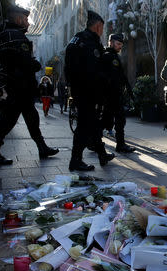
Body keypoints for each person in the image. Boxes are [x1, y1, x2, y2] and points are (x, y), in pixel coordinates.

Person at [0, 5, 59, 165]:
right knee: (7, 121)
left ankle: (42, 147)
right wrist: (36, 65)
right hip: (19, 88)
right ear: (18, 19)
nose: (28, 23)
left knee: (31, 118)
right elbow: (25, 62)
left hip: (13, 87)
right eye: (26, 20)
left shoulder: (3, 35)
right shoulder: (16, 36)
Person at [65, 10, 115, 171]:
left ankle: (101, 153)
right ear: (98, 26)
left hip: (79, 90)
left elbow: (68, 68)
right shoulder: (89, 42)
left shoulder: (77, 38)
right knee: (84, 126)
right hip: (87, 91)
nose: (102, 31)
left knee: (91, 123)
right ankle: (75, 160)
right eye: (102, 27)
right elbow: (93, 71)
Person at [99, 33, 136, 153]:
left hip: (113, 94)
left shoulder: (113, 56)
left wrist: (128, 91)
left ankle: (93, 140)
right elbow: (108, 77)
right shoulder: (109, 56)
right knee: (119, 119)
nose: (120, 46)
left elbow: (121, 77)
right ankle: (120, 145)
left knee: (107, 120)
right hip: (111, 95)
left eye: (121, 44)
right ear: (111, 42)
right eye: (118, 44)